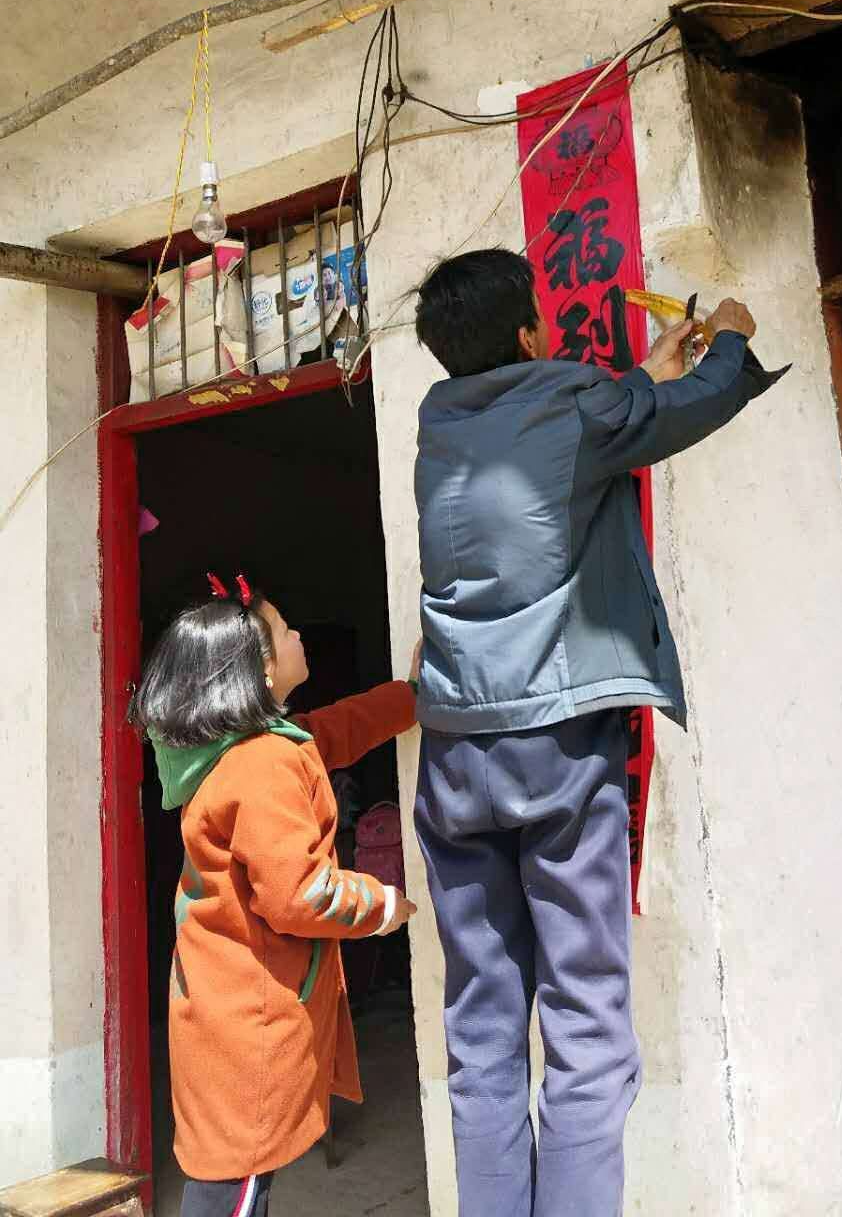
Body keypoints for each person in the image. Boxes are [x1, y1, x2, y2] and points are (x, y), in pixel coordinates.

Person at [411, 247, 786, 1217]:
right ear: (529, 332)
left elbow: (589, 424)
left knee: (482, 1031)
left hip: (452, 751)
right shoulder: (574, 402)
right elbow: (689, 405)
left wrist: (643, 375)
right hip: (555, 743)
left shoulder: (441, 424)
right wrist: (729, 336)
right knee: (586, 1026)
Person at [130, 574, 419, 1217]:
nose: (298, 636)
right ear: (260, 669)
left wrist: (411, 697)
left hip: (220, 1016)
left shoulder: (240, 751)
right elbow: (302, 894)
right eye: (286, 631)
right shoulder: (263, 765)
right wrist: (381, 905)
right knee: (234, 1190)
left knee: (231, 1182)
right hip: (247, 1034)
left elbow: (331, 732)